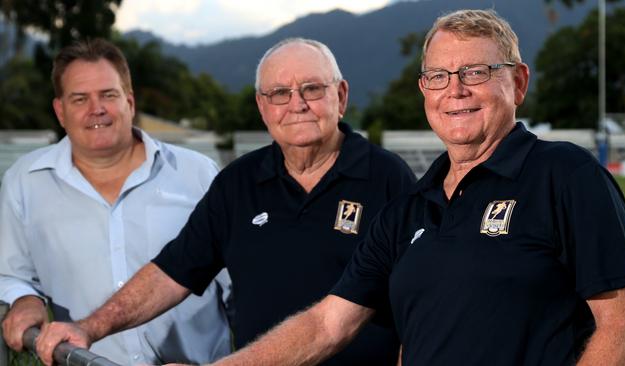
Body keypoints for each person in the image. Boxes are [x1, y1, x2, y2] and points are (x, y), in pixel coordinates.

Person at [164, 9, 625, 366]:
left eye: (476, 73)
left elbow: (624, 329)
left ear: (518, 83)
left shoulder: (565, 174)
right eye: (438, 76)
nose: (454, 90)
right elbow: (326, 324)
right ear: (423, 90)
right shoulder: (410, 208)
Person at [33, 38, 415, 366]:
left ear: (341, 95)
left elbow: (417, 301)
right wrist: (88, 327)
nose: (296, 104)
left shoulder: (387, 177)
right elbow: (171, 272)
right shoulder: (237, 182)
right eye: (279, 93)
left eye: (312, 89)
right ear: (263, 107)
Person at [0, 38, 232, 365]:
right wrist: (23, 298)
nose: (97, 109)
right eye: (80, 98)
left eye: (108, 95)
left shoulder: (198, 174)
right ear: (60, 110)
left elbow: (238, 281)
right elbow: (10, 272)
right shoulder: (24, 181)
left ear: (130, 102)